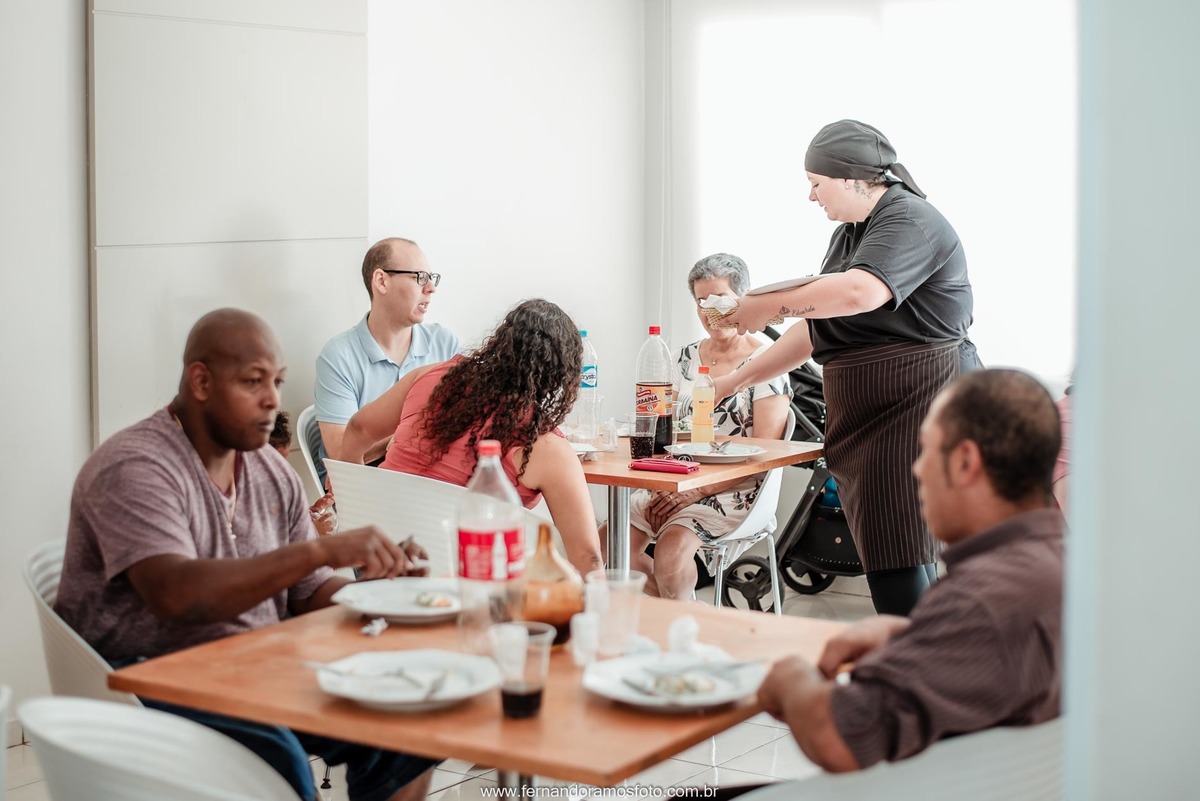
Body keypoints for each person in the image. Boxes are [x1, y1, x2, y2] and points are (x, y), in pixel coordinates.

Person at [56, 308, 438, 801]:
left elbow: (309, 590)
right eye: (253, 381)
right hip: (148, 680)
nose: (272, 400)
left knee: (406, 725)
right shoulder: (135, 467)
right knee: (275, 752)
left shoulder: (267, 471)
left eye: (277, 382)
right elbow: (177, 596)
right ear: (200, 381)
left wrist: (383, 593)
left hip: (253, 669)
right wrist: (320, 548)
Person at [714, 119, 982, 616]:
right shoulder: (851, 236)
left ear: (853, 177)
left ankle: (910, 672)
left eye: (816, 184)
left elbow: (860, 292)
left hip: (916, 401)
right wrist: (732, 381)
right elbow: (818, 329)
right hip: (873, 408)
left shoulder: (910, 220)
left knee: (897, 554)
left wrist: (768, 304)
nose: (812, 197)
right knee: (898, 551)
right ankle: (917, 665)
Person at [755, 369, 1062, 774]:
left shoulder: (980, 598)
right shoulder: (1066, 562)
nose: (917, 471)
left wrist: (788, 676)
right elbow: (1004, 655)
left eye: (927, 451)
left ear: (966, 461)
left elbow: (839, 738)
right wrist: (910, 634)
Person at [341, 299, 605, 579]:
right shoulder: (545, 446)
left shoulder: (430, 377)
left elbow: (359, 428)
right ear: (559, 377)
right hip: (470, 587)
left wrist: (349, 494)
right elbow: (587, 557)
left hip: (379, 563)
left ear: (500, 343)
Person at [619, 253, 792, 599]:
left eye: (721, 300)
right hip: (677, 481)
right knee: (609, 544)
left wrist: (699, 490)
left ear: (743, 299)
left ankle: (682, 632)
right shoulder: (683, 357)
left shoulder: (766, 362)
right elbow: (662, 427)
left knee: (670, 552)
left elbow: (765, 454)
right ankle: (674, 620)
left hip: (734, 489)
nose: (711, 311)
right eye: (702, 302)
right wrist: (665, 483)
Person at [313, 237, 460, 480]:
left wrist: (388, 440)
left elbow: (461, 428)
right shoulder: (338, 356)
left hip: (428, 482)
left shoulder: (445, 344)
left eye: (432, 279)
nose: (431, 288)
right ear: (381, 281)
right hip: (365, 487)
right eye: (420, 277)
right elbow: (344, 455)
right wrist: (420, 432)